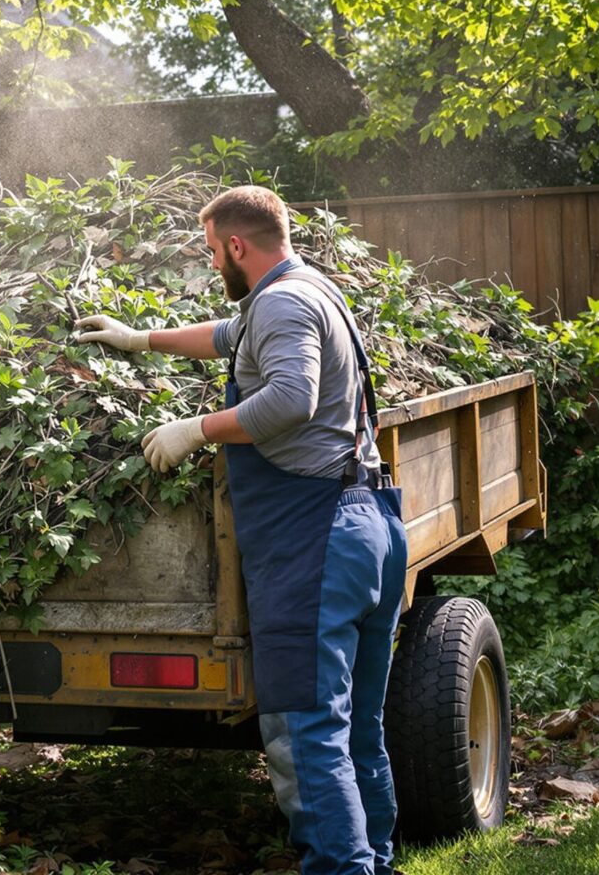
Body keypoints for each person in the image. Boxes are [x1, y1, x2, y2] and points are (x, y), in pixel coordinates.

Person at [73, 185, 408, 875]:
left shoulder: (282, 301)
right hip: (367, 523)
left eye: (211, 254)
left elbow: (291, 398)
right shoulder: (306, 288)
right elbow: (228, 337)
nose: (211, 267)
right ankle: (375, 861)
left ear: (236, 246)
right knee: (356, 731)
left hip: (315, 539)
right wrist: (139, 338)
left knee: (306, 732)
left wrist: (196, 430)